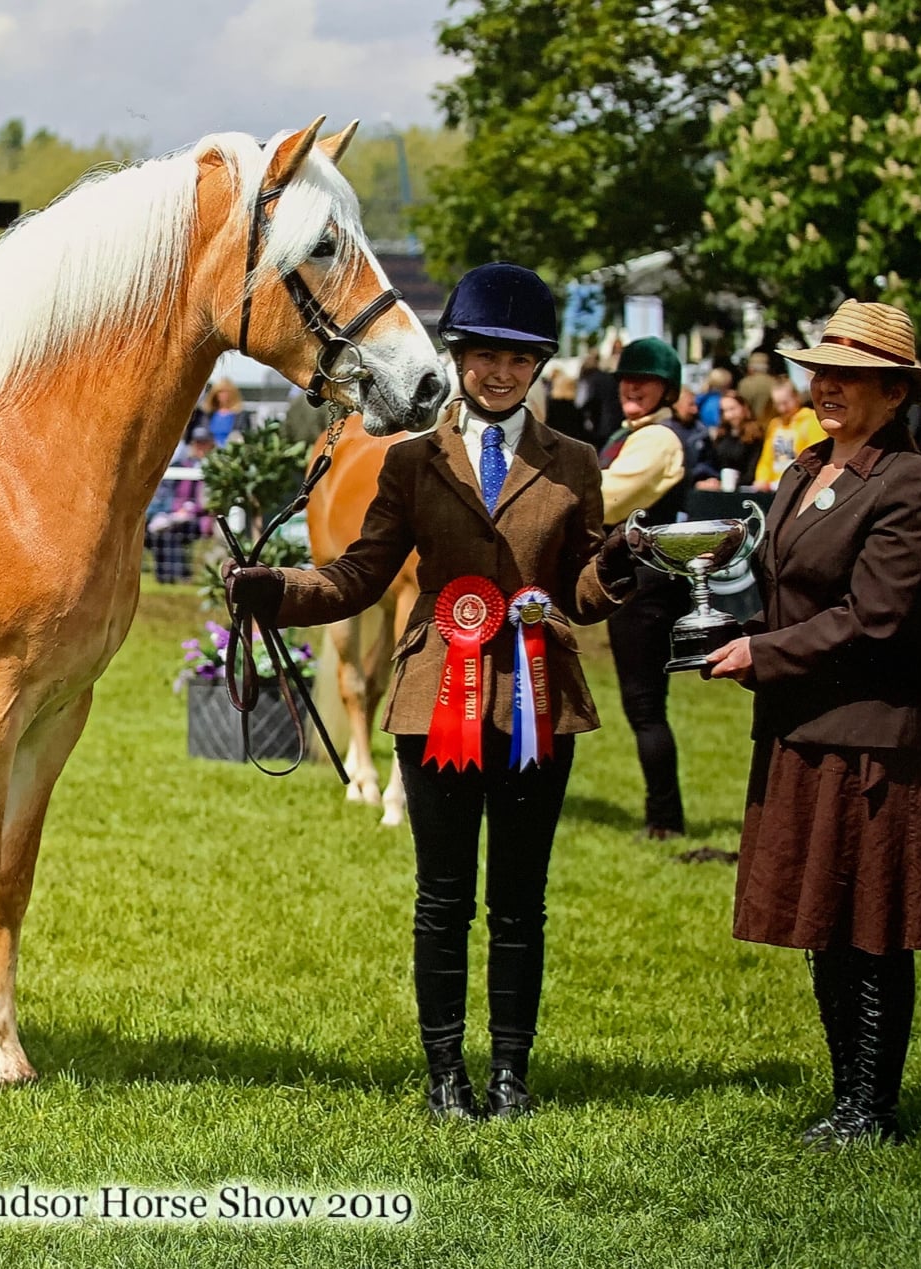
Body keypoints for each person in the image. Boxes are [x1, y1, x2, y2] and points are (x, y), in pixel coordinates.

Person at [226, 262, 637, 1122]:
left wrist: (621, 568)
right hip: (431, 702)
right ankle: (446, 1073)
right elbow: (359, 577)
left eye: (517, 359)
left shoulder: (575, 463)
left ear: (539, 366)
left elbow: (582, 593)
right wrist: (277, 589)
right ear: (457, 359)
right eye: (483, 355)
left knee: (521, 899)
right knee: (442, 897)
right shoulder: (413, 463)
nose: (498, 372)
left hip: (537, 703)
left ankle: (511, 1075)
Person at [708, 299, 921, 1147]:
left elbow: (877, 618)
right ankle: (847, 1096)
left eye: (848, 375)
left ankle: (872, 1106)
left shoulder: (913, 484)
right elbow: (786, 585)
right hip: (804, 728)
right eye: (820, 370)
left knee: (874, 928)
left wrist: (763, 652)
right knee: (825, 922)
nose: (826, 386)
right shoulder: (804, 467)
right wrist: (723, 620)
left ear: (895, 394)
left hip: (876, 740)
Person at [598, 337, 690, 839]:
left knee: (646, 706)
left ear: (666, 389)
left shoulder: (659, 440)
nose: (632, 387)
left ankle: (664, 819)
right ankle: (662, 815)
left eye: (645, 381)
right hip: (633, 580)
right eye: (626, 379)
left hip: (648, 583)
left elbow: (610, 499)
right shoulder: (628, 433)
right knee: (644, 707)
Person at [145, 425, 215, 582]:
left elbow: (208, 503)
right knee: (159, 533)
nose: (200, 447)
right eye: (197, 442)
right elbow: (168, 493)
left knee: (173, 532)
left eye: (204, 442)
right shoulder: (182, 465)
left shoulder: (214, 468)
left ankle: (179, 575)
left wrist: (189, 510)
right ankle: (164, 576)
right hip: (174, 514)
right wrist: (172, 512)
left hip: (197, 518)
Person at [753, 379, 826, 489]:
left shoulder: (812, 420)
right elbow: (767, 458)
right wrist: (762, 479)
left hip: (799, 484)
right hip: (774, 485)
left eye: (785, 403)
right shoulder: (775, 424)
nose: (782, 408)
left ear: (796, 397)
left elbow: (816, 456)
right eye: (778, 404)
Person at [705, 389, 764, 487]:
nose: (729, 415)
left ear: (744, 408)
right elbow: (715, 463)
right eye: (724, 411)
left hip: (744, 488)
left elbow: (752, 470)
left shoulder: (755, 436)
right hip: (722, 488)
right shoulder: (722, 435)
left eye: (732, 409)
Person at [203, 378, 249, 446]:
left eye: (226, 392)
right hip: (210, 451)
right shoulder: (208, 414)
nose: (223, 395)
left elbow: (245, 434)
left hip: (231, 451)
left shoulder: (240, 415)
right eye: (220, 392)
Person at [736, 350, 778, 424]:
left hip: (752, 427)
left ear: (751, 368)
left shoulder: (745, 384)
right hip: (772, 425)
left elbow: (742, 406)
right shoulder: (776, 382)